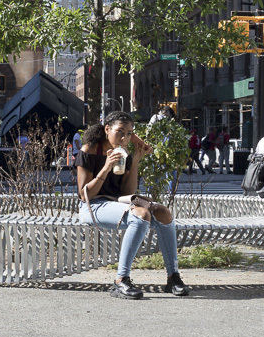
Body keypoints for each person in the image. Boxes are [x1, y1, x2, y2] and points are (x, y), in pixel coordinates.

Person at [76, 109, 189, 300]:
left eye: (129, 134)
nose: (124, 137)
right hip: (92, 206)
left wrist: (135, 161)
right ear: (107, 129)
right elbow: (85, 194)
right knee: (141, 214)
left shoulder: (124, 153)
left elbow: (126, 193)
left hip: (117, 203)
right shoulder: (90, 150)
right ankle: (121, 280)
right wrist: (106, 167)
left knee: (163, 212)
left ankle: (173, 277)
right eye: (119, 131)